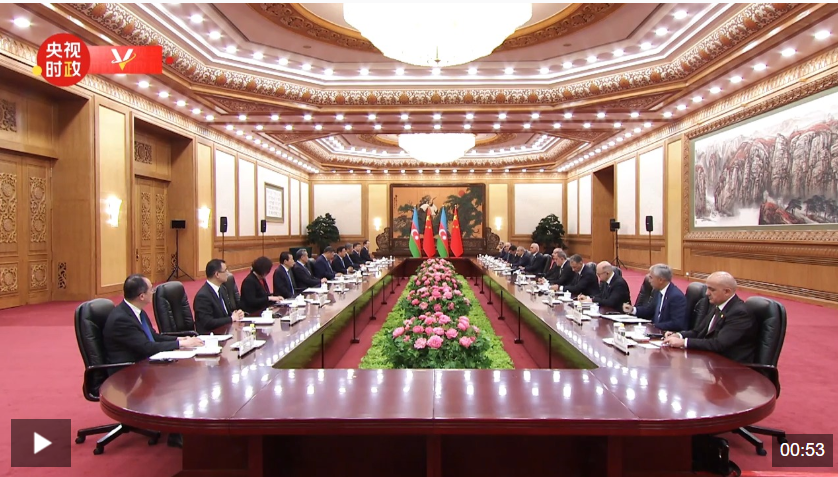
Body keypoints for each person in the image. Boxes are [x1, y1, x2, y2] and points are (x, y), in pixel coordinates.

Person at [104, 274, 204, 365]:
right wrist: (180, 344)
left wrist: (178, 339)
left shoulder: (138, 311)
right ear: (142, 296)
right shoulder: (121, 320)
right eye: (151, 289)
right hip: (127, 371)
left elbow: (152, 336)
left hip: (142, 363)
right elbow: (146, 347)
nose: (153, 292)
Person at [662, 271, 757, 363]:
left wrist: (684, 342)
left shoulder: (739, 313)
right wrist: (679, 335)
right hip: (711, 360)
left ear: (727, 292)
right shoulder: (716, 305)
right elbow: (698, 332)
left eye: (712, 290)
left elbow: (719, 344)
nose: (707, 293)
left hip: (731, 366)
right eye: (707, 288)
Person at [622, 264, 687, 331]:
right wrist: (633, 310)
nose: (649, 280)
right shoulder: (658, 291)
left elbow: (677, 323)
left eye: (651, 277)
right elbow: (650, 311)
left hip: (667, 333)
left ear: (660, 280)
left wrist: (653, 326)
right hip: (655, 330)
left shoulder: (676, 297)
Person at [193, 259, 244, 334]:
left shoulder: (222, 289)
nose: (228, 273)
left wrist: (237, 314)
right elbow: (208, 322)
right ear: (217, 274)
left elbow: (226, 313)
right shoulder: (203, 296)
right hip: (211, 335)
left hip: (225, 331)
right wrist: (231, 318)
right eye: (225, 270)